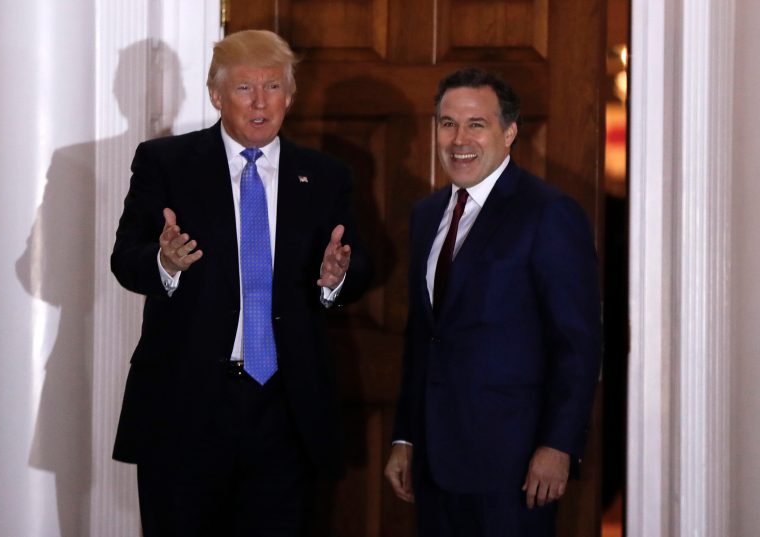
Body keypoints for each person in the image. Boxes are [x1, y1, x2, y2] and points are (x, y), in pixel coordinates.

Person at [111, 29, 371, 537]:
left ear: (290, 96)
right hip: (186, 404)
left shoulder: (324, 175)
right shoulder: (165, 163)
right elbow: (126, 261)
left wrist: (337, 279)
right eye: (244, 89)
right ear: (216, 95)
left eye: (273, 87)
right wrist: (165, 263)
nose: (260, 103)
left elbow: (355, 264)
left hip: (285, 408)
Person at [384, 67, 601, 536]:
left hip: (516, 465)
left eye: (476, 124)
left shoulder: (549, 214)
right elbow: (424, 337)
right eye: (447, 123)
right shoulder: (427, 215)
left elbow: (578, 345)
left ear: (509, 132)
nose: (459, 139)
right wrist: (405, 436)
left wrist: (558, 444)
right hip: (435, 462)